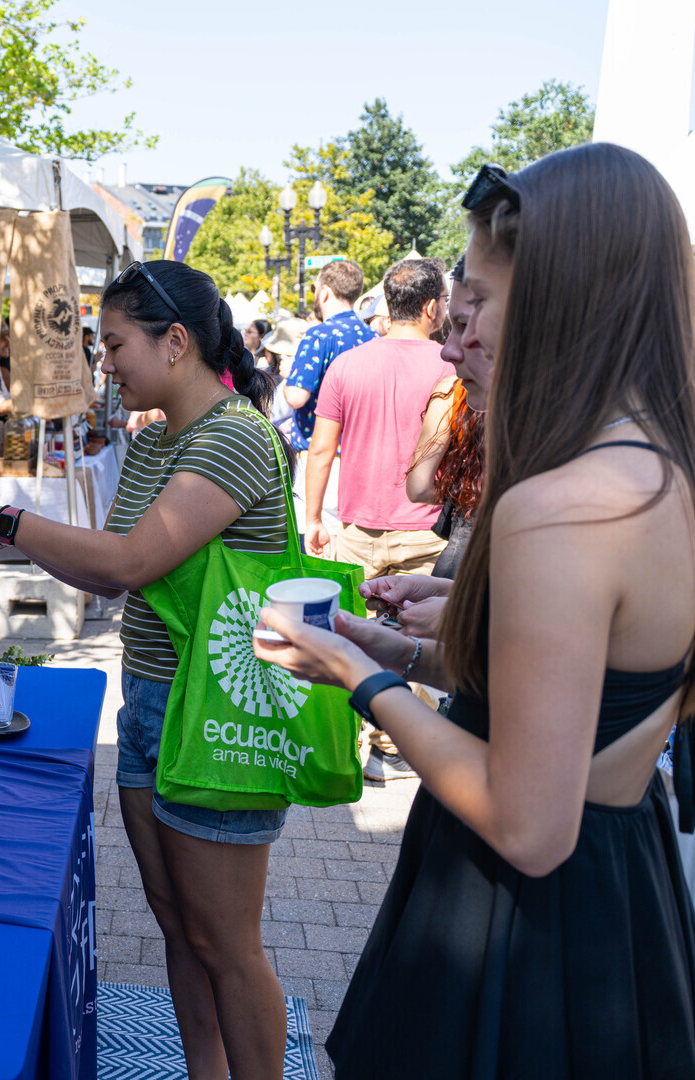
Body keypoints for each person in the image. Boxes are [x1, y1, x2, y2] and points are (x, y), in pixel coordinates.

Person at [257, 144, 695, 1079]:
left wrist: (355, 674)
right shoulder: (661, 471)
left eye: (478, 308)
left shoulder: (564, 506)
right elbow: (589, 691)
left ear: (564, 299)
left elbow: (528, 823)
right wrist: (411, 648)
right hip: (625, 899)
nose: (453, 348)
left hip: (518, 929)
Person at [0, 260, 292, 1080]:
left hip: (219, 715)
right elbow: (107, 576)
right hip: (151, 704)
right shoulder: (158, 438)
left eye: (116, 344)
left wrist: (8, 522)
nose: (106, 364)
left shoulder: (234, 436)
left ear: (176, 342)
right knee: (181, 929)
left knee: (227, 944)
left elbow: (132, 560)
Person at [303, 258, 453, 575]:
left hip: (357, 532)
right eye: (445, 299)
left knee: (356, 608)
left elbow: (321, 450)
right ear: (431, 307)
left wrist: (313, 519)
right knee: (424, 607)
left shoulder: (345, 365)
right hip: (427, 531)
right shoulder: (450, 368)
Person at [405, 257, 488, 582]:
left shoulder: (452, 391)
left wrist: (462, 493)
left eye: (465, 325)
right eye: (453, 327)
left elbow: (418, 486)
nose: (447, 349)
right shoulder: (456, 390)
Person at [281, 262, 374, 535]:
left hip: (322, 461)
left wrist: (290, 374)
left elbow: (296, 397)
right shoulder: (372, 335)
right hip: (363, 459)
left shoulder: (319, 335)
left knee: (315, 545)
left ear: (324, 292)